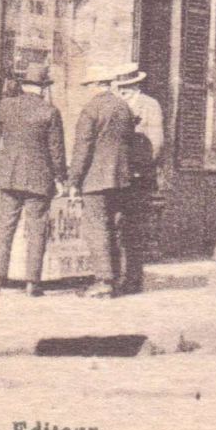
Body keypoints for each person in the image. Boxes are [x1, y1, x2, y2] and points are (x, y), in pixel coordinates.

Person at [0, 64, 67, 297]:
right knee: (36, 230)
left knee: (4, 228)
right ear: (43, 88)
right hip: (39, 178)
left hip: (9, 175)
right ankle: (32, 284)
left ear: (24, 84)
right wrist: (61, 178)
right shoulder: (50, 112)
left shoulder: (6, 107)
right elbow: (56, 150)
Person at [69, 64, 139, 298]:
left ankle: (103, 281)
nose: (87, 90)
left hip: (96, 179)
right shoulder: (124, 108)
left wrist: (74, 181)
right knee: (115, 227)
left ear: (97, 85)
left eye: (88, 85)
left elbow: (83, 148)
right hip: (121, 178)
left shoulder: (92, 109)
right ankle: (118, 278)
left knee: (96, 229)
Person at [110, 63, 162, 294]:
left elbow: (157, 141)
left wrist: (142, 165)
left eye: (128, 88)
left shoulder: (150, 105)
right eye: (121, 88)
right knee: (117, 226)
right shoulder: (118, 105)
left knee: (134, 228)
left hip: (139, 175)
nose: (124, 92)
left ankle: (133, 278)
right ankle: (118, 275)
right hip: (118, 174)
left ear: (136, 86)